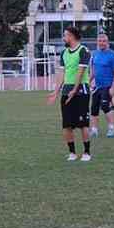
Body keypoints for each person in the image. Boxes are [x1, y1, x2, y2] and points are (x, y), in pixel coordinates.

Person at [47, 26, 92, 161]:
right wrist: (56, 92)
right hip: (67, 90)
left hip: (81, 91)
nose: (63, 38)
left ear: (72, 36)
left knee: (83, 124)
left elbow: (81, 72)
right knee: (67, 125)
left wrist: (75, 89)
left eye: (65, 35)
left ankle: (86, 152)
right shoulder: (64, 53)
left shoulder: (84, 51)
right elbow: (62, 73)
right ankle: (72, 153)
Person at [89, 33, 114, 138]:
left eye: (103, 41)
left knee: (105, 106)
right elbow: (93, 72)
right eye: (100, 41)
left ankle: (111, 128)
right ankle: (94, 130)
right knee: (93, 108)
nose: (101, 43)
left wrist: (113, 87)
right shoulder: (95, 54)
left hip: (107, 86)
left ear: (107, 42)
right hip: (97, 87)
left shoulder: (113, 55)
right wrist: (87, 82)